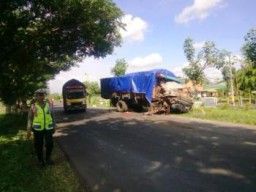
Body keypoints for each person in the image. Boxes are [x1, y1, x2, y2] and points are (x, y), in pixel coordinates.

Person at [27, 88, 56, 167]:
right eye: (39, 95)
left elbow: (52, 116)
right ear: (36, 96)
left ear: (44, 96)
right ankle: (40, 160)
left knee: (50, 144)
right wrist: (28, 130)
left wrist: (54, 125)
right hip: (37, 129)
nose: (41, 97)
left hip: (48, 128)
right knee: (38, 145)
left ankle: (48, 157)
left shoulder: (49, 105)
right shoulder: (33, 106)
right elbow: (30, 118)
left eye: (42, 95)